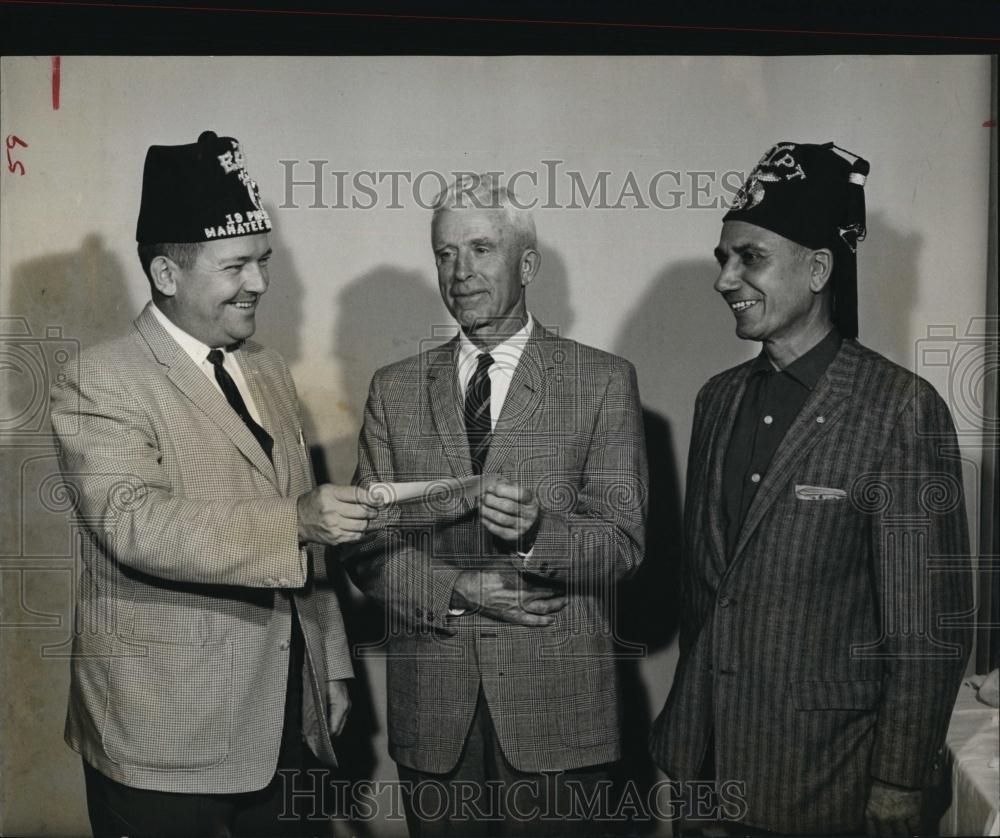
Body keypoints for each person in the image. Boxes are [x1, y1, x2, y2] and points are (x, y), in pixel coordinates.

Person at [49, 130, 378, 837]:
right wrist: (293, 520)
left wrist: (331, 665)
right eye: (236, 267)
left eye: (262, 262)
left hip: (284, 717)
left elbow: (310, 533)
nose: (259, 284)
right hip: (163, 739)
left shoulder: (264, 369)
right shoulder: (99, 379)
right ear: (168, 275)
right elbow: (135, 524)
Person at [648, 141, 974, 836]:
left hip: (828, 784)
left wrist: (899, 782)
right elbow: (710, 592)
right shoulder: (718, 399)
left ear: (819, 268)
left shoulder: (897, 409)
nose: (725, 279)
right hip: (703, 775)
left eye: (751, 258)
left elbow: (925, 632)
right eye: (723, 258)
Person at [345, 176, 648, 836]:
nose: (460, 272)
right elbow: (364, 547)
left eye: (481, 248)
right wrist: (458, 590)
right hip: (435, 722)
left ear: (527, 263)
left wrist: (541, 533)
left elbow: (623, 544)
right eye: (446, 254)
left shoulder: (601, 382)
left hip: (559, 722)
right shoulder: (394, 391)